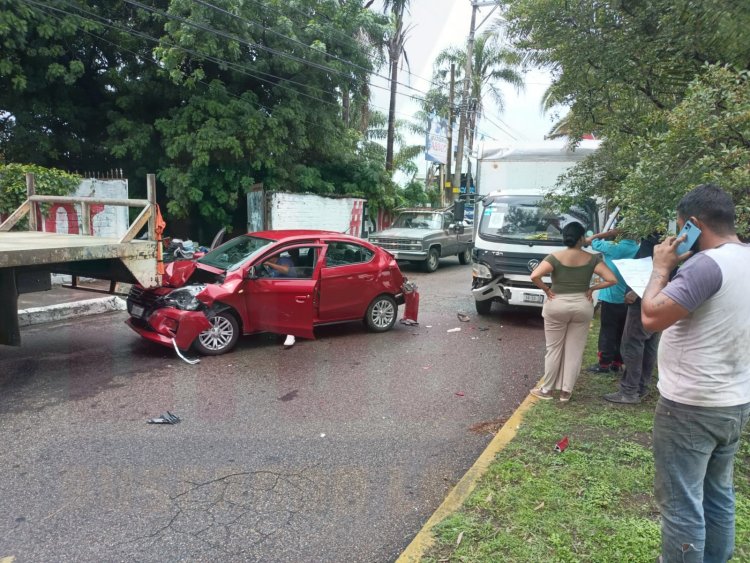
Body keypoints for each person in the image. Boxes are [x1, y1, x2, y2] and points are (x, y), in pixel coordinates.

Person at [641, 184, 750, 562]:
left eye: (679, 228)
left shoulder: (706, 265)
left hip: (691, 406)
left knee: (682, 504)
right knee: (718, 495)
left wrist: (660, 268)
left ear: (692, 224)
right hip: (734, 402)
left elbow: (652, 317)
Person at [529, 222, 618, 402]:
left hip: (557, 304)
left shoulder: (554, 257)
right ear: (581, 238)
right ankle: (566, 392)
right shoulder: (592, 259)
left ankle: (546, 390)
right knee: (574, 350)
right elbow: (611, 279)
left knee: (553, 349)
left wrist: (547, 290)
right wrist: (592, 288)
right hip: (582, 305)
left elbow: (534, 276)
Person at [603, 234, 661, 404]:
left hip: (643, 296)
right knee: (649, 341)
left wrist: (636, 291)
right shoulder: (669, 232)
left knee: (632, 343)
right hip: (657, 296)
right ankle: (641, 386)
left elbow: (650, 266)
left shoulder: (652, 237)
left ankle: (629, 391)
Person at [585, 228, 639, 373]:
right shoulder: (639, 250)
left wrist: (601, 234)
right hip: (629, 298)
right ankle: (617, 363)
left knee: (607, 331)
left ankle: (603, 364)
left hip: (610, 298)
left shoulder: (611, 248)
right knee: (622, 332)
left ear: (618, 235)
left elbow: (591, 240)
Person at [263, 252, 297, 348]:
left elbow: (285, 270)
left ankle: (291, 334)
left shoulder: (284, 260)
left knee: (286, 312)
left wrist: (269, 264)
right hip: (277, 289)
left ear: (273, 256)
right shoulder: (271, 265)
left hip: (290, 289)